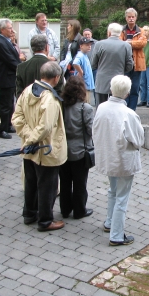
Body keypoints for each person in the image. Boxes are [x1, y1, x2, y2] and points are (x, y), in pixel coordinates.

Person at [12, 61, 67, 232]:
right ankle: (45, 220)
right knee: (47, 186)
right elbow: (45, 127)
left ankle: (29, 213)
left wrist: (27, 137)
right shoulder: (49, 98)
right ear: (57, 78)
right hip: (46, 150)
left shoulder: (27, 90)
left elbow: (17, 117)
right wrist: (32, 140)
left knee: (31, 181)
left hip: (29, 149)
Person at [93, 75, 144, 246]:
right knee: (122, 196)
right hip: (123, 160)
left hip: (108, 156)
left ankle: (109, 222)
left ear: (111, 89)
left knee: (113, 190)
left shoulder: (101, 108)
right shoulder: (129, 114)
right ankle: (116, 235)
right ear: (128, 92)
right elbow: (138, 140)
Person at [59, 75, 94, 219]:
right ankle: (80, 210)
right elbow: (91, 130)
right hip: (80, 151)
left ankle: (65, 209)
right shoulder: (85, 108)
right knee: (80, 183)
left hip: (63, 149)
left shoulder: (61, 105)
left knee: (65, 182)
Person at [91, 23, 133, 106]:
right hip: (118, 81)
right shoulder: (126, 46)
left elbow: (93, 64)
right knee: (117, 106)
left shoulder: (99, 44)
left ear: (109, 32)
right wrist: (121, 69)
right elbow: (130, 65)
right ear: (120, 33)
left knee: (100, 107)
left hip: (102, 81)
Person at [0, 18, 21, 139]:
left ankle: (8, 124)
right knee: (5, 105)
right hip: (6, 77)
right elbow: (10, 60)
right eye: (9, 28)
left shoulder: (7, 41)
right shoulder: (0, 43)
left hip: (11, 77)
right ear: (2, 29)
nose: (12, 30)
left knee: (10, 103)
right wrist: (21, 67)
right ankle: (2, 129)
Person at [120, 8, 147, 110]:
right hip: (125, 64)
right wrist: (134, 42)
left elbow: (142, 43)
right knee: (125, 88)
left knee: (135, 89)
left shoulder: (141, 30)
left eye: (133, 17)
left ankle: (132, 110)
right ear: (126, 18)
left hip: (137, 64)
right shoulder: (122, 31)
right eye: (129, 17)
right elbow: (120, 44)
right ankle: (125, 109)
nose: (131, 19)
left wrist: (129, 42)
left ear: (136, 18)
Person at [72, 37, 95, 103]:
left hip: (86, 85)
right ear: (81, 46)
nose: (89, 47)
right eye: (87, 45)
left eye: (90, 45)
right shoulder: (80, 55)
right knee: (85, 103)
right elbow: (75, 63)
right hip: (83, 85)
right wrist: (80, 71)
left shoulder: (84, 55)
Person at [137, 26, 149, 108]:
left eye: (145, 31)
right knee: (142, 83)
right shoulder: (142, 42)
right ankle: (143, 100)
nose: (144, 33)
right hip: (142, 65)